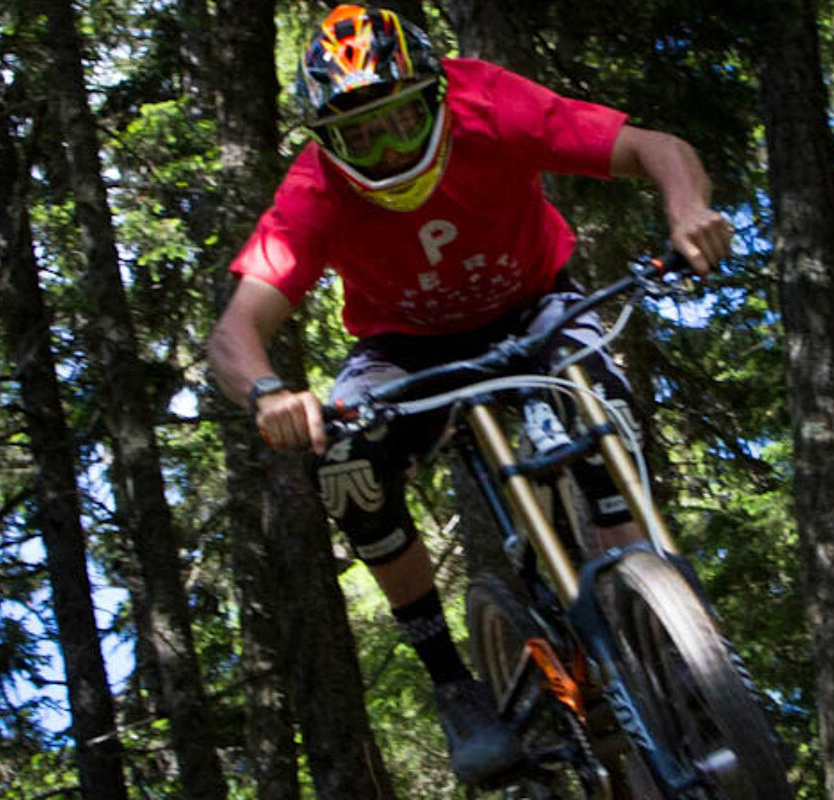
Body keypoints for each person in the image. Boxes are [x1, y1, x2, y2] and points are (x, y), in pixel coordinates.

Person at [207, 4, 731, 785]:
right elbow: (236, 330)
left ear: (438, 96)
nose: (385, 151)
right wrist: (270, 393)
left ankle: (650, 612)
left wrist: (688, 213)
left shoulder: (490, 102)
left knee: (597, 394)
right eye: (360, 135)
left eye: (400, 120)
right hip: (405, 348)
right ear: (326, 142)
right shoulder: (313, 189)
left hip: (534, 305)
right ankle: (454, 683)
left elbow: (655, 148)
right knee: (347, 466)